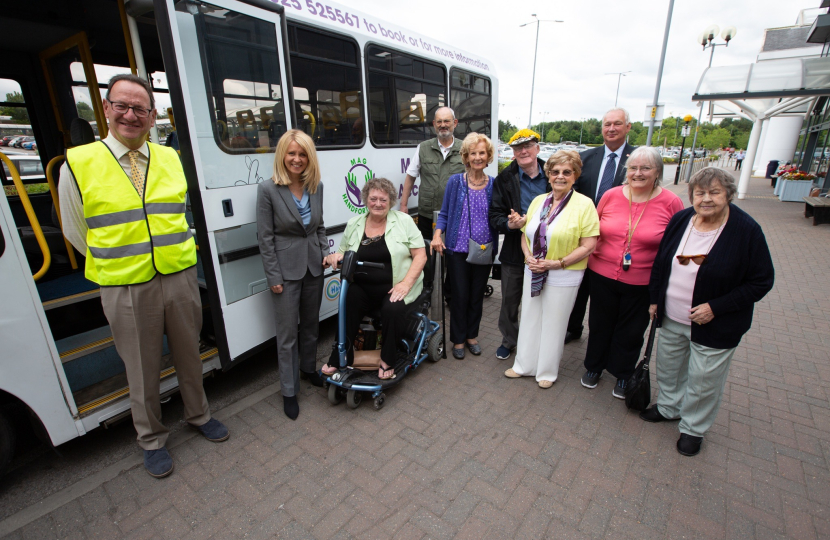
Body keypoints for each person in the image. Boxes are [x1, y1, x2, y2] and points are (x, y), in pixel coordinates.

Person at [59, 74, 228, 478]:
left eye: (140, 109)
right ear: (106, 109)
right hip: (125, 285)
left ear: (153, 116)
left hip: (179, 275)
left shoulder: (170, 158)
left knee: (190, 354)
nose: (130, 115)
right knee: (141, 366)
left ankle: (199, 415)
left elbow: (179, 213)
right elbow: (74, 230)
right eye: (122, 106)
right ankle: (152, 438)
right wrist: (117, 260)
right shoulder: (79, 162)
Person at [643, 168, 774, 457]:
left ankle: (693, 428)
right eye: (700, 193)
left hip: (715, 324)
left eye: (714, 192)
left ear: (728, 194)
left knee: (703, 380)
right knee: (669, 367)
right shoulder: (681, 220)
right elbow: (662, 263)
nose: (706, 199)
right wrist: (655, 299)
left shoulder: (746, 230)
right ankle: (668, 408)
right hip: (672, 315)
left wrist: (717, 307)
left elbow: (762, 280)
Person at [580, 147, 684, 398]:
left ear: (657, 171)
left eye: (645, 168)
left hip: (642, 280)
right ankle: (594, 366)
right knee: (599, 323)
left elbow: (675, 245)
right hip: (602, 273)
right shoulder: (611, 195)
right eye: (633, 168)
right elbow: (593, 228)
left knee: (632, 329)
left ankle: (623, 373)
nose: (638, 173)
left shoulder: (671, 202)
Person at [504, 150, 599, 388]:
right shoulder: (539, 201)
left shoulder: (584, 205)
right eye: (555, 171)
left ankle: (546, 371)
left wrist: (558, 263)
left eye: (567, 172)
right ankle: (523, 365)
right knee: (530, 317)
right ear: (548, 175)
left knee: (554, 323)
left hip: (563, 272)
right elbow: (525, 234)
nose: (560, 176)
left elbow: (589, 244)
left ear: (575, 176)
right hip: (534, 269)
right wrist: (528, 257)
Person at [322, 178, 427, 379]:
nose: (378, 203)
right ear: (365, 200)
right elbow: (343, 254)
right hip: (363, 287)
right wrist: (334, 257)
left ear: (391, 201)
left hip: (396, 285)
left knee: (391, 307)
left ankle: (388, 360)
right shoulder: (354, 224)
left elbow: (420, 255)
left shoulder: (403, 222)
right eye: (373, 199)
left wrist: (406, 284)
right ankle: (339, 355)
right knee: (348, 299)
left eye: (383, 199)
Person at [256, 130, 329, 421]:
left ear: (309, 157)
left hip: (314, 267)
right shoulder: (268, 189)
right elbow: (265, 238)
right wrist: (273, 275)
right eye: (291, 153)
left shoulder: (316, 186)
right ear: (282, 156)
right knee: (287, 335)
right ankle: (289, 390)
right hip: (284, 273)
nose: (297, 159)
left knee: (311, 325)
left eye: (302, 154)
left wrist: (324, 253)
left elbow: (319, 226)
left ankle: (309, 369)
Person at [566, 108, 637, 344]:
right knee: (578, 286)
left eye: (618, 124)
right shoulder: (585, 159)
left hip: (616, 240)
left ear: (628, 127)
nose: (612, 129)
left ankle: (604, 337)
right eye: (607, 124)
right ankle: (572, 327)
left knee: (604, 294)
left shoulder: (637, 161)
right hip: (582, 236)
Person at [431, 133, 498, 359]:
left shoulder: (494, 185)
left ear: (488, 156)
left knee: (476, 295)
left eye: (482, 153)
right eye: (473, 153)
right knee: (459, 295)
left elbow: (497, 217)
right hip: (458, 249)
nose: (477, 157)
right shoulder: (455, 182)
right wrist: (437, 235)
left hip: (483, 249)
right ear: (466, 157)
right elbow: (445, 214)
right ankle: (458, 339)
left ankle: (472, 336)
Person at [488, 129, 550, 360]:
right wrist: (510, 224)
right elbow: (494, 215)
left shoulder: (554, 174)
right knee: (510, 300)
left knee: (543, 299)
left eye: (528, 146)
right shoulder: (505, 179)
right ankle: (509, 340)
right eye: (517, 148)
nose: (523, 151)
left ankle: (539, 340)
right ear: (513, 153)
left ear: (537, 148)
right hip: (514, 248)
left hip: (549, 248)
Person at [400, 107, 466, 239]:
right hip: (427, 214)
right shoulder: (423, 148)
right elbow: (411, 176)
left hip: (456, 212)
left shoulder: (465, 148)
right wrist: (403, 205)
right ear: (434, 124)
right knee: (427, 249)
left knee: (452, 251)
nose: (443, 125)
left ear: (455, 123)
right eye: (439, 122)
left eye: (447, 121)